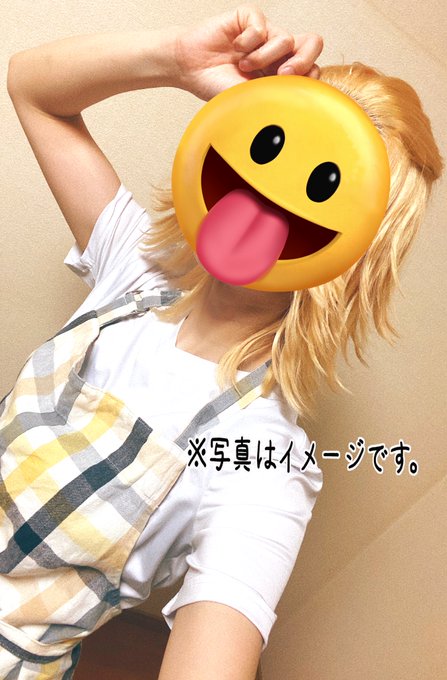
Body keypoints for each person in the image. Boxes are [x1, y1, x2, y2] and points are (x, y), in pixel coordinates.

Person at [2, 4, 442, 680]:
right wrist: (177, 61)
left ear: (361, 248)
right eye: (273, 146)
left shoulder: (262, 458)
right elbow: (33, 88)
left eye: (323, 184)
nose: (274, 190)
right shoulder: (133, 267)